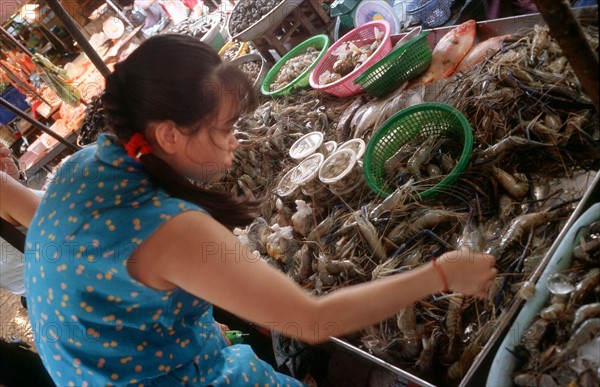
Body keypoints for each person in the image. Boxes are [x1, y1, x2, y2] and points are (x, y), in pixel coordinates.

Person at [24, 34, 497, 386]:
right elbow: (310, 322)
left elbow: (26, 207)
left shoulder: (83, 166)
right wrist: (440, 275)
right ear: (169, 134)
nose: (235, 144)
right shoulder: (170, 231)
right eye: (226, 128)